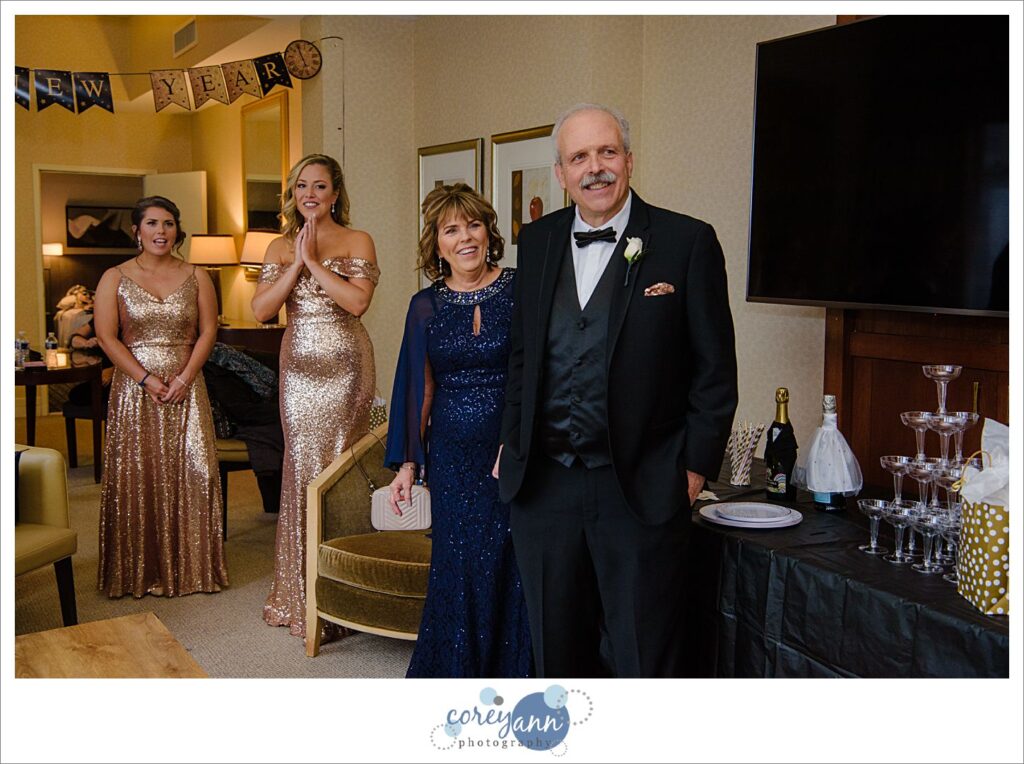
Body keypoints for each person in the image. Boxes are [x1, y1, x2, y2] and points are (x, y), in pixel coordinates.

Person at [496, 104, 738, 677]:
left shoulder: (686, 241)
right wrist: (511, 442)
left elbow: (715, 369)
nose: (595, 168)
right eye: (580, 157)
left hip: (642, 486)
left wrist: (696, 466)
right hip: (544, 486)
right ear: (560, 173)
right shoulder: (536, 241)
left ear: (629, 160)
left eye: (607, 153)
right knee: (557, 653)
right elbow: (522, 357)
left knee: (642, 656)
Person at [385, 183, 532, 678]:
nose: (465, 237)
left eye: (473, 225)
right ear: (437, 243)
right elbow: (418, 388)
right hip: (450, 457)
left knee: (509, 565)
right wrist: (409, 463)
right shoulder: (425, 305)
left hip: (511, 449)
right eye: (452, 229)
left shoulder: (520, 287)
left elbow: (539, 371)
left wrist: (519, 440)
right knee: (458, 564)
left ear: (489, 232)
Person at [252, 153, 379, 639]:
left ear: (335, 193)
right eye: (302, 186)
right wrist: (293, 264)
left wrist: (312, 263)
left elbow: (357, 301)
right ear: (293, 193)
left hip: (347, 367)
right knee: (301, 468)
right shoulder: (276, 246)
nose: (310, 194)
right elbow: (263, 311)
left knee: (341, 468)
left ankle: (345, 591)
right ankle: (299, 593)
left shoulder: (356, 239)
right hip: (298, 370)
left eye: (320, 187)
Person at [94, 195, 228, 598]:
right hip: (135, 392)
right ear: (137, 230)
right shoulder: (114, 277)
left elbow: (208, 332)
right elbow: (106, 336)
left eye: (168, 223)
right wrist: (145, 379)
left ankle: (192, 570)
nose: (161, 231)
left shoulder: (197, 275)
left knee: (195, 472)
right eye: (152, 223)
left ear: (177, 230)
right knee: (137, 475)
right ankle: (138, 569)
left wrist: (186, 377)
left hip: (187, 386)